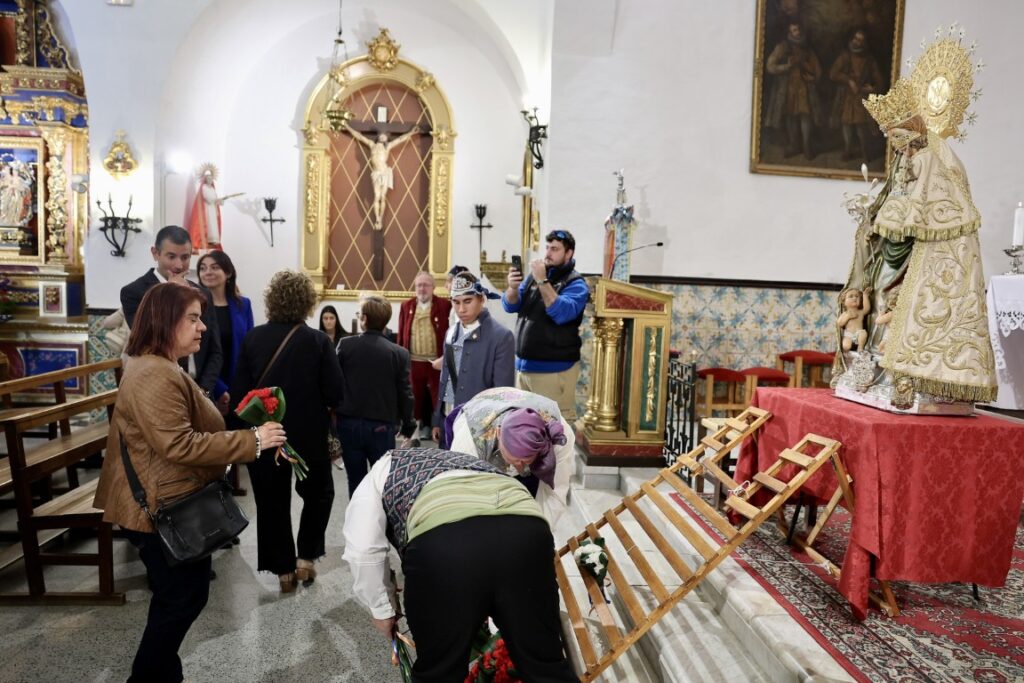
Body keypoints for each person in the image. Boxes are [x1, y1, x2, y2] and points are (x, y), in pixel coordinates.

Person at [93, 282, 287, 683]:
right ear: (165, 320)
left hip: (169, 495)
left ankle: (163, 675)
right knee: (181, 598)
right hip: (160, 503)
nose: (202, 328)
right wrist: (252, 441)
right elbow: (177, 444)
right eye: (193, 319)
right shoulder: (153, 373)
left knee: (179, 597)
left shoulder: (163, 366)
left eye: (202, 319)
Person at [342, 447, 578, 682]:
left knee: (440, 671)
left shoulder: (379, 473)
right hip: (527, 532)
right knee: (545, 666)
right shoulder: (464, 461)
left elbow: (363, 550)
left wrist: (382, 609)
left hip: (445, 546)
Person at [229, 270, 343, 592]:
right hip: (309, 435)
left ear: (271, 300)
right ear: (308, 302)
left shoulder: (253, 338)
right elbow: (336, 394)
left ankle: (283, 571)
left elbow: (240, 394)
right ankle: (305, 558)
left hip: (266, 434)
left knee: (270, 501)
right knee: (319, 494)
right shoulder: (318, 341)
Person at [121, 225, 223, 399]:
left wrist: (204, 391)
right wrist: (170, 293)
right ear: (155, 253)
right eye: (171, 256)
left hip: (201, 392)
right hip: (159, 389)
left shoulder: (202, 293)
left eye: (185, 257)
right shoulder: (134, 292)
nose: (179, 265)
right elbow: (149, 340)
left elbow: (214, 350)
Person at [448, 386, 575, 524]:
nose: (520, 467)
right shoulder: (468, 440)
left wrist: (539, 532)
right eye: (515, 459)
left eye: (525, 460)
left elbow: (554, 494)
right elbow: (462, 494)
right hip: (480, 413)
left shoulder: (560, 437)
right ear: (498, 432)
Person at [503, 230, 589, 423]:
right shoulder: (535, 277)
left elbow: (560, 313)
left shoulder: (576, 284)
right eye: (547, 248)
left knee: (554, 430)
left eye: (555, 249)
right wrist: (513, 288)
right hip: (524, 369)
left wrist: (542, 280)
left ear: (569, 254)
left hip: (553, 371)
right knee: (524, 429)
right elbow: (510, 305)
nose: (548, 253)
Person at [336, 294, 416, 495]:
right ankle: (379, 524)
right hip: (381, 427)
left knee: (355, 480)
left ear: (363, 319)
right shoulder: (399, 353)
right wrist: (408, 424)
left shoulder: (345, 346)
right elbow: (404, 392)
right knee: (382, 481)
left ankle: (356, 522)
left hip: (349, 424)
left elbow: (334, 384)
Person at [433, 273, 515, 445]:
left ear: (481, 299)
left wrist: (495, 430)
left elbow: (503, 391)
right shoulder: (450, 333)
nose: (461, 309)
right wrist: (437, 419)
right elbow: (445, 379)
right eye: (456, 302)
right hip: (448, 419)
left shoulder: (501, 336)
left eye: (467, 301)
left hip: (479, 427)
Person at [197, 250, 254, 412]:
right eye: (203, 268)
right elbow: (199, 353)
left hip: (239, 384)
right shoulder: (195, 307)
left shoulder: (243, 305)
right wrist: (219, 389)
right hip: (207, 384)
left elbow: (249, 348)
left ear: (228, 272)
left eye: (214, 267)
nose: (208, 272)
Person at [397, 272, 451, 439]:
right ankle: (413, 434)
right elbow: (401, 333)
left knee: (439, 397)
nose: (422, 288)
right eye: (419, 285)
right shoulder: (406, 306)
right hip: (413, 360)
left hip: (436, 361)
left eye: (426, 285)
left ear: (433, 287)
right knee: (413, 398)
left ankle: (440, 430)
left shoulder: (444, 305)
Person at [341, 122, 422, 231]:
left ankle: (380, 219)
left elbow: (400, 139)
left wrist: (411, 133)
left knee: (383, 197)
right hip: (376, 173)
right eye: (382, 135)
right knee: (376, 196)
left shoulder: (387, 147)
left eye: (385, 135)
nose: (384, 136)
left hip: (384, 172)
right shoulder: (371, 145)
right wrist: (347, 127)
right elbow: (359, 136)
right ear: (378, 136)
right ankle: (377, 219)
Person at [764, 22, 822, 159]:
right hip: (788, 88)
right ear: (790, 33)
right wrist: (786, 66)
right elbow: (770, 66)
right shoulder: (783, 47)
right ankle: (794, 145)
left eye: (798, 29)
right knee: (791, 116)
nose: (797, 32)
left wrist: (812, 77)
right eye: (794, 30)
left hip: (804, 88)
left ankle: (806, 147)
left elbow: (818, 70)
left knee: (805, 116)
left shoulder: (807, 48)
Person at [829, 29, 884, 162]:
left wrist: (872, 88)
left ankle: (865, 151)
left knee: (861, 126)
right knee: (846, 124)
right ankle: (848, 150)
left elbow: (880, 82)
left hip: (862, 97)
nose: (857, 42)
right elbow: (833, 74)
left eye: (860, 40)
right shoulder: (845, 56)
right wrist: (848, 80)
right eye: (855, 38)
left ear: (864, 43)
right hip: (846, 97)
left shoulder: (869, 60)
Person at [186, 165, 243, 251]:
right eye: (208, 178)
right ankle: (205, 242)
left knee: (213, 225)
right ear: (205, 179)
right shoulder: (204, 187)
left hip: (213, 209)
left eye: (211, 178)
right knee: (209, 225)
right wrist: (217, 199)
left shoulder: (212, 188)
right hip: (207, 210)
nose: (210, 180)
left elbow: (215, 200)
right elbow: (209, 199)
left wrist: (221, 200)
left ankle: (212, 243)